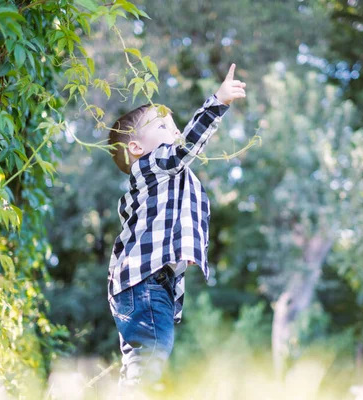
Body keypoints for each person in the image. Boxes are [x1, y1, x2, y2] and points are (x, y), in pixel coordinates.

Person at [107, 63, 246, 397]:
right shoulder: (152, 166)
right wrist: (219, 101)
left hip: (145, 285)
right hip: (145, 283)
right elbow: (187, 147)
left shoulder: (162, 178)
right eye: (165, 126)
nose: (176, 132)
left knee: (146, 357)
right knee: (150, 359)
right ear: (137, 148)